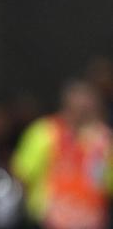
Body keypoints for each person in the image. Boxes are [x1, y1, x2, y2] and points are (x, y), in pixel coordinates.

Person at [11, 79, 113, 229]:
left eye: (87, 109)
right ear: (66, 106)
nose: (83, 114)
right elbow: (21, 174)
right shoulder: (44, 132)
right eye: (78, 109)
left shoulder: (104, 140)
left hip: (92, 221)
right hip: (50, 221)